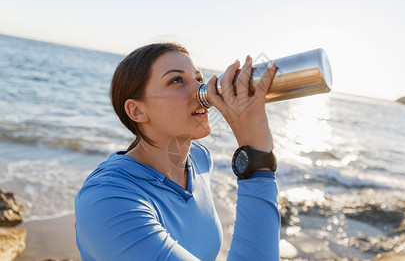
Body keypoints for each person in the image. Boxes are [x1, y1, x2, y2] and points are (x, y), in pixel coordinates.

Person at [74, 42, 280, 260]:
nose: (202, 92)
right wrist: (256, 157)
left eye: (199, 79)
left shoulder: (199, 159)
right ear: (137, 110)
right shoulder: (107, 200)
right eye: (177, 80)